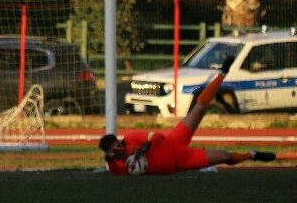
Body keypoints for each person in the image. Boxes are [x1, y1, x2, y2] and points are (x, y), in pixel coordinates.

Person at [99, 59, 276, 175]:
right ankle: (252, 155)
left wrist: (145, 147)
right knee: (225, 156)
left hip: (173, 140)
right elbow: (119, 173)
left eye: (117, 145)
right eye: (114, 150)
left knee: (199, 109)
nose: (118, 150)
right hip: (181, 161)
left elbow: (157, 136)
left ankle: (222, 73)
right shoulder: (117, 167)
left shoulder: (131, 139)